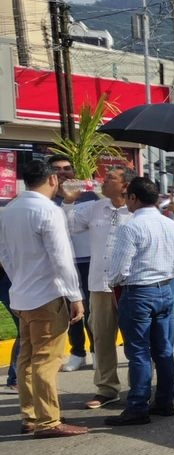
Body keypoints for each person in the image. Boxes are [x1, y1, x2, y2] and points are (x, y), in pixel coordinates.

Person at [0, 159, 87, 437]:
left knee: (26, 359)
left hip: (22, 295)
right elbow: (62, 259)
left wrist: (20, 281)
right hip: (47, 295)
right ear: (51, 180)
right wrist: (75, 296)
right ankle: (48, 420)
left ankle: (31, 415)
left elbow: (5, 256)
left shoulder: (9, 209)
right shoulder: (48, 211)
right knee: (46, 360)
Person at [103, 177, 174, 426]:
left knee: (138, 352)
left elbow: (118, 268)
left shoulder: (130, 227)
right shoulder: (169, 223)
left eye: (128, 195)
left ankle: (137, 406)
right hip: (164, 290)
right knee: (163, 351)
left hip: (138, 292)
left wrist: (113, 282)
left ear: (133, 198)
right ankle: (164, 401)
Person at [67, 165, 132, 409]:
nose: (103, 182)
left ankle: (139, 388)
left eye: (111, 179)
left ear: (125, 186)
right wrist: (70, 201)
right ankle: (107, 388)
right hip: (99, 285)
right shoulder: (95, 207)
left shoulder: (137, 211)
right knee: (102, 339)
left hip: (128, 286)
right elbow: (66, 224)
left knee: (135, 341)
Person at [51, 154, 99, 372]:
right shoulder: (47, 199)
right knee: (71, 309)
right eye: (57, 169)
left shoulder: (89, 196)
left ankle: (97, 352)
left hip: (89, 261)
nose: (63, 172)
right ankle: (77, 352)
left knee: (91, 310)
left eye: (67, 168)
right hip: (62, 263)